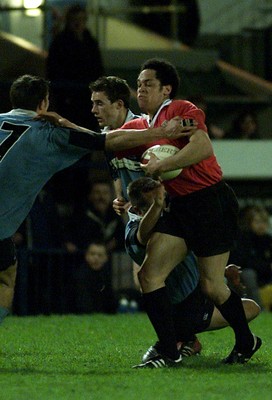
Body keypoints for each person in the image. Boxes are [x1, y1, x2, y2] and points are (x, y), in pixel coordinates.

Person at [0, 74, 193, 326]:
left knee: (7, 271)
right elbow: (104, 141)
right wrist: (159, 131)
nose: (94, 109)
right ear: (44, 103)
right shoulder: (49, 132)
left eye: (99, 103)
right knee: (4, 279)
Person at [118, 58, 261, 367]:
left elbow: (203, 146)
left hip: (210, 202)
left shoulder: (180, 109)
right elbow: (109, 141)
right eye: (138, 84)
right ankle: (169, 352)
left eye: (148, 83)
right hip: (179, 205)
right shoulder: (142, 126)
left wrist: (162, 165)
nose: (140, 88)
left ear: (166, 89)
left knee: (212, 286)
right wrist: (66, 127)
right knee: (149, 274)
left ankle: (246, 340)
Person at [125, 177, 261, 366]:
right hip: (181, 310)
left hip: (196, 296)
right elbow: (141, 236)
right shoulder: (133, 232)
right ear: (139, 211)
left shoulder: (175, 221)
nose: (162, 205)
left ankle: (180, 344)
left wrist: (220, 271)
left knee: (250, 306)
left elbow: (197, 253)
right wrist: (156, 206)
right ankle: (178, 342)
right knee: (175, 306)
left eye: (163, 199)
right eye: (155, 203)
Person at [46, 3, 104, 130]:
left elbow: (98, 68)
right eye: (75, 20)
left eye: (81, 19)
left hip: (88, 96)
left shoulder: (90, 42)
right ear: (69, 21)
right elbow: (53, 70)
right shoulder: (60, 43)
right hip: (68, 97)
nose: (78, 23)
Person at [229, 205, 272, 310]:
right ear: (250, 223)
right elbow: (244, 262)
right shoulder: (244, 239)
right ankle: (259, 309)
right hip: (245, 276)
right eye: (257, 222)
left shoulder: (268, 240)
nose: (261, 225)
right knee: (249, 274)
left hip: (265, 276)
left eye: (264, 222)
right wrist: (267, 267)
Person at [64, 180, 125, 253]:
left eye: (105, 193)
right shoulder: (80, 214)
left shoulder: (115, 215)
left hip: (108, 259)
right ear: (90, 195)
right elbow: (68, 233)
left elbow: (122, 235)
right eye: (97, 192)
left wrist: (114, 242)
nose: (101, 197)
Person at [73, 240, 117, 314]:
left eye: (100, 255)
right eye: (92, 254)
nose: (96, 258)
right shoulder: (80, 275)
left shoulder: (106, 275)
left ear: (106, 258)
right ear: (86, 256)